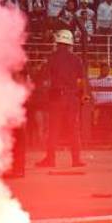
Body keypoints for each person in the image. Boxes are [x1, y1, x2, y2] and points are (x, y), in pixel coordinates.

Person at [36, 30, 87, 168]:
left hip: (57, 97)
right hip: (72, 98)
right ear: (70, 43)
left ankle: (50, 160)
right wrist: (82, 95)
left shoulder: (51, 57)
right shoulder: (76, 59)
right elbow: (81, 80)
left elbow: (43, 77)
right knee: (74, 130)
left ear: (58, 43)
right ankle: (76, 160)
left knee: (53, 129)